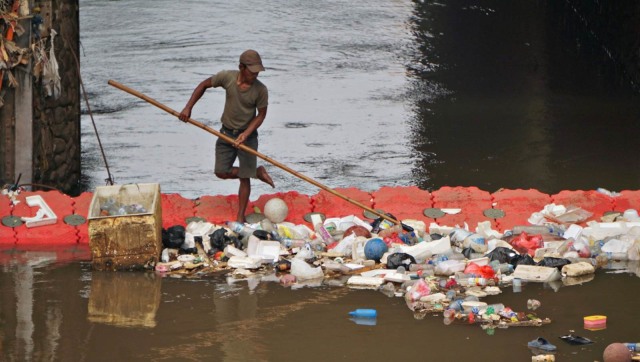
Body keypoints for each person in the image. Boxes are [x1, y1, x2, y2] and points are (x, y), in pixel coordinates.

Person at [179, 49, 274, 222]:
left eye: (257, 72)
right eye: (252, 72)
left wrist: (245, 134)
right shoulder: (227, 77)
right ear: (241, 67)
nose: (255, 75)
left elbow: (261, 115)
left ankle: (240, 216)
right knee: (221, 171)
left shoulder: (261, 90)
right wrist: (188, 107)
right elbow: (203, 85)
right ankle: (257, 172)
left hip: (248, 136)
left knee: (244, 178)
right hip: (226, 134)